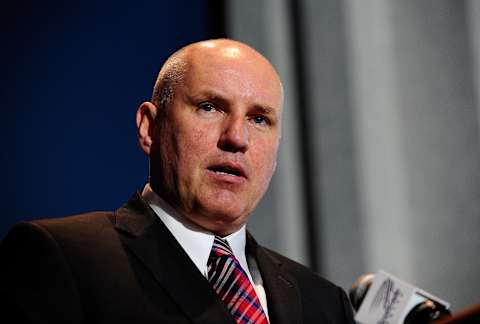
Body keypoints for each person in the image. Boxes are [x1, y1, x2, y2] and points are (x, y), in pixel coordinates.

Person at [0, 39, 354, 324]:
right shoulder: (63, 257)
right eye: (210, 107)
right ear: (150, 128)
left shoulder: (324, 302)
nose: (237, 138)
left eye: (259, 119)